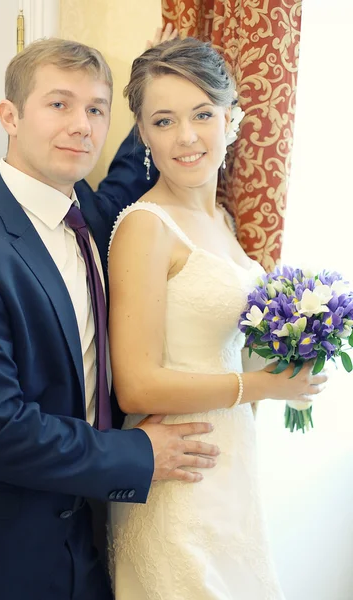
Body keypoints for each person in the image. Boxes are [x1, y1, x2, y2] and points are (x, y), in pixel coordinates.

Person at [0, 34, 221, 600]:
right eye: (58, 104)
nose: (81, 125)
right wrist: (139, 453)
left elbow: (135, 166)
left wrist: (157, 79)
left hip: (96, 541)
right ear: (10, 115)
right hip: (6, 555)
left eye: (95, 109)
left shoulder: (96, 218)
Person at [108, 37, 329, 600]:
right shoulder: (146, 226)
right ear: (143, 135)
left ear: (232, 118)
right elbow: (134, 386)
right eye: (164, 120)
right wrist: (265, 384)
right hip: (179, 483)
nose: (186, 136)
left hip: (232, 475)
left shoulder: (226, 222)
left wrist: (297, 350)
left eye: (202, 113)